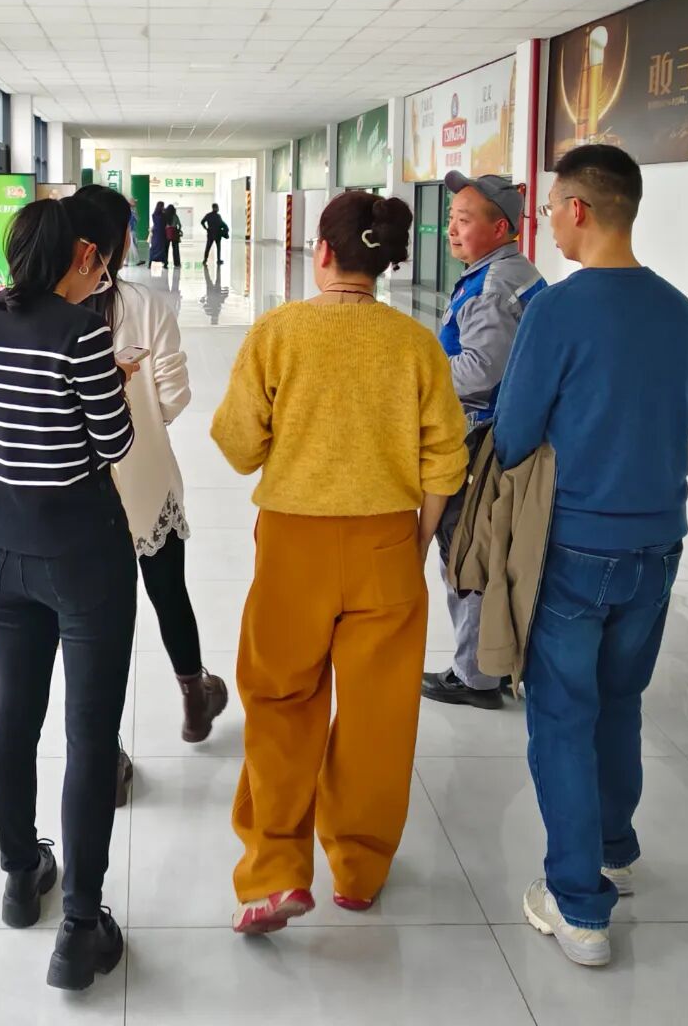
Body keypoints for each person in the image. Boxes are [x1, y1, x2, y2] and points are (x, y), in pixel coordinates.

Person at [211, 193, 468, 935]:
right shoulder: (416, 344)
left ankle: (274, 872)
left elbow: (238, 445)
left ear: (321, 252)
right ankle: (358, 868)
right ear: (384, 263)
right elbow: (445, 461)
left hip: (293, 544)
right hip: (387, 543)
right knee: (377, 715)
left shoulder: (277, 332)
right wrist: (414, 543)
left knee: (281, 702)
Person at [494, 145, 688, 969]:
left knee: (562, 714)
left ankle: (579, 907)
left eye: (551, 207)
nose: (548, 221)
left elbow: (514, 434)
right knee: (620, 700)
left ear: (578, 209)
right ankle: (614, 848)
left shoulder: (558, 310)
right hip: (659, 542)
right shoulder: (679, 311)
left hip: (577, 544)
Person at [0, 196, 139, 993]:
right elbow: (115, 440)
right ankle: (80, 930)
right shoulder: (81, 332)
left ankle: (21, 874)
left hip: (5, 553)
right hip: (84, 556)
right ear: (76, 257)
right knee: (90, 736)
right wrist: (111, 382)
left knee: (14, 714)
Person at [78, 185, 229, 744]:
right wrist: (141, 416)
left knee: (98, 622)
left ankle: (107, 750)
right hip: (143, 476)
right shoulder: (145, 305)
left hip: (76, 487)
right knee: (169, 592)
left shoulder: (47, 311)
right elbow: (173, 397)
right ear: (119, 242)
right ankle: (194, 696)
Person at [422, 173, 546, 711]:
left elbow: (479, 372)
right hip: (502, 433)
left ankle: (475, 676)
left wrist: (422, 372)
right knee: (483, 548)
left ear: (500, 228)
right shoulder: (508, 272)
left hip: (480, 441)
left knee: (465, 550)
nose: (451, 229)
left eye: (464, 220)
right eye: (451, 219)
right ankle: (489, 662)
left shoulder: (493, 286)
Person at [163, 204, 183, 270]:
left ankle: (165, 263)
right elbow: (180, 225)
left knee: (166, 249)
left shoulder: (165, 216)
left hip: (167, 233)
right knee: (175, 249)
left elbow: (163, 224)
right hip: (174, 233)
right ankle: (177, 263)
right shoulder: (175, 216)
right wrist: (178, 230)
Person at [127, 199, 141, 266]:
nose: (136, 204)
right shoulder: (131, 211)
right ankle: (137, 260)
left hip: (129, 231)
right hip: (131, 231)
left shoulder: (130, 211)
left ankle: (125, 262)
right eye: (134, 202)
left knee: (128, 246)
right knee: (133, 246)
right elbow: (137, 219)